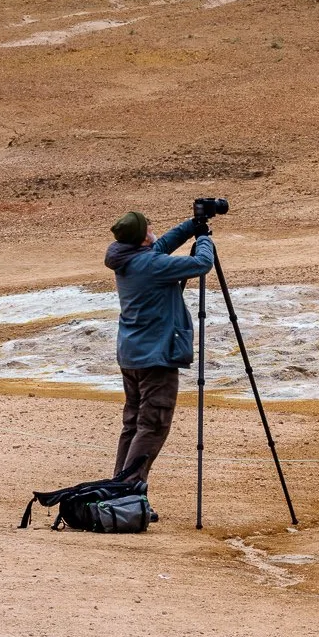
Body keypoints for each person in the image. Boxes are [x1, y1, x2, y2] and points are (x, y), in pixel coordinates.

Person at [102, 208, 215, 489]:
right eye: (149, 227)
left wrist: (193, 224)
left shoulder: (126, 257)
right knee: (153, 426)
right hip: (156, 358)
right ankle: (129, 491)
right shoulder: (152, 265)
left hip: (132, 354)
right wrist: (204, 239)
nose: (153, 230)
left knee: (133, 425)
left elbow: (161, 245)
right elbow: (201, 264)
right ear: (141, 239)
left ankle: (120, 488)